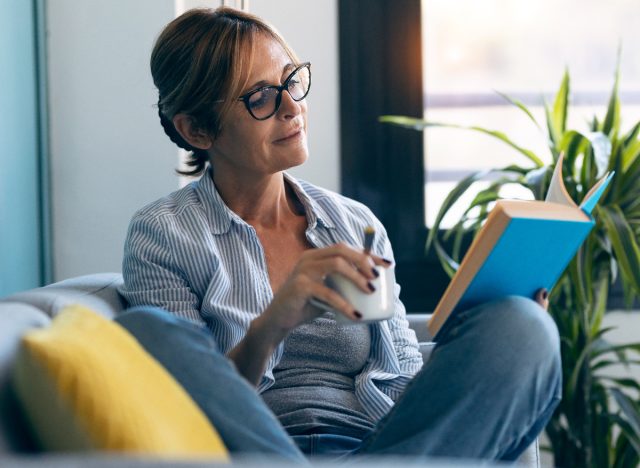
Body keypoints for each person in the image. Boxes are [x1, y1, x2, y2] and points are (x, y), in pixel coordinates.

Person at [117, 6, 561, 463]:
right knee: (147, 329)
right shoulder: (162, 234)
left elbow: (402, 375)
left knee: (523, 325)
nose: (293, 107)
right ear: (197, 128)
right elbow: (184, 409)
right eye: (261, 97)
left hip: (379, 448)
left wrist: (487, 347)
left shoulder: (352, 222)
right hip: (265, 453)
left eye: (291, 81)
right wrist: (271, 326)